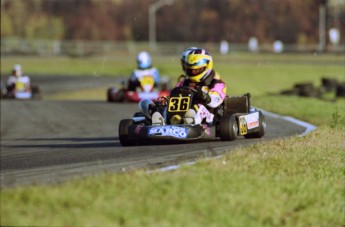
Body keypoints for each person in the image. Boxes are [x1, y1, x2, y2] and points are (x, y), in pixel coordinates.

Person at [150, 47, 227, 125]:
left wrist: (204, 96)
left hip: (209, 116)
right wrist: (164, 101)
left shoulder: (217, 83)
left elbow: (214, 102)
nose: (193, 72)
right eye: (190, 69)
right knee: (155, 105)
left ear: (206, 67)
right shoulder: (184, 82)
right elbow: (174, 96)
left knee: (198, 107)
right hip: (182, 113)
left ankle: (190, 120)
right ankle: (161, 121)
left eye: (196, 70)